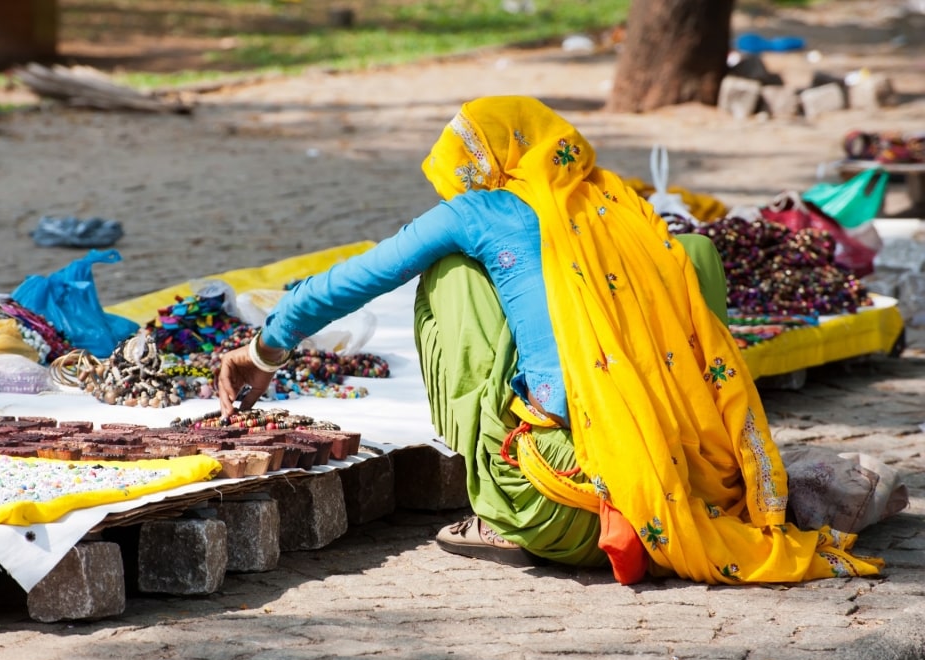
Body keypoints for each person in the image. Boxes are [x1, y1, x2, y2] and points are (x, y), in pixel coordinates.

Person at [217, 95, 882, 585]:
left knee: (450, 278)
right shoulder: (623, 208)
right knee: (693, 256)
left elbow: (349, 282)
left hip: (565, 515)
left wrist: (261, 351)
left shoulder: (484, 210)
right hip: (692, 500)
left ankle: (497, 514)